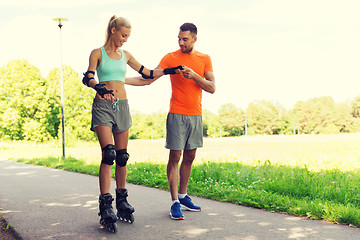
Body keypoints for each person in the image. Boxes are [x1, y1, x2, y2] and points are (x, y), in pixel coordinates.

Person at [82, 15, 182, 229]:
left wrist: (170, 71)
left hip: (123, 106)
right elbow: (89, 76)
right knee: (108, 153)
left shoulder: (125, 55)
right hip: (102, 106)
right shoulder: (97, 53)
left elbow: (147, 73)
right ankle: (106, 204)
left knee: (122, 156)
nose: (125, 40)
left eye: (128, 36)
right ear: (113, 30)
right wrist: (98, 86)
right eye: (123, 35)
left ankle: (122, 199)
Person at [126, 22, 216, 220]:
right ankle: (175, 201)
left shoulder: (204, 59)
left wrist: (194, 76)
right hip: (176, 113)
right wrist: (122, 80)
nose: (181, 42)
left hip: (196, 115)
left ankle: (184, 196)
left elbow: (211, 87)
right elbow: (149, 78)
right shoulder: (170, 57)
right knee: (175, 157)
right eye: (179, 39)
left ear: (194, 39)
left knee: (190, 157)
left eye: (185, 39)